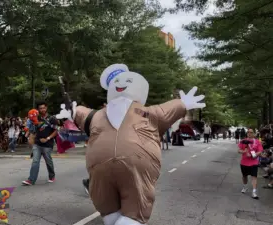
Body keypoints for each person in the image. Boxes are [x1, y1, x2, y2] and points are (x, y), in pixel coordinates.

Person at [56, 64, 206, 225]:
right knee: (108, 206)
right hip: (102, 173)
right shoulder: (99, 115)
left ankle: (129, 218)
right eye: (117, 82)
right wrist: (72, 112)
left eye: (127, 80)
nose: (121, 84)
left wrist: (183, 104)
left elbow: (166, 110)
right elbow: (83, 114)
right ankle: (117, 217)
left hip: (133, 169)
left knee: (133, 204)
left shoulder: (149, 113)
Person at [22, 101, 58, 186]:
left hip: (47, 144)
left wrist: (47, 138)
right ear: (38, 109)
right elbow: (32, 130)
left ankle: (52, 176)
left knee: (48, 161)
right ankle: (31, 180)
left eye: (43, 108)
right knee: (35, 161)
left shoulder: (52, 118)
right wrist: (30, 137)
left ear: (46, 108)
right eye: (40, 108)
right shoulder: (36, 118)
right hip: (37, 143)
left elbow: (56, 130)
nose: (42, 110)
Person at [238, 128, 263, 199]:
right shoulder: (243, 141)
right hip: (244, 162)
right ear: (247, 133)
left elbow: (260, 151)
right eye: (248, 132)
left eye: (251, 132)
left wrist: (253, 155)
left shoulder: (257, 142)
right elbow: (239, 150)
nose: (249, 133)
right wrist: (244, 151)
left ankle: (254, 192)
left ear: (254, 134)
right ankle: (245, 186)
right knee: (244, 176)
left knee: (254, 177)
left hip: (254, 162)